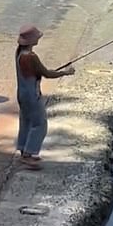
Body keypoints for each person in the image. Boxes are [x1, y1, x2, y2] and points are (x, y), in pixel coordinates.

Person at [14, 24, 74, 170]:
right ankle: (29, 155)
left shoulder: (19, 53)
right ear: (31, 41)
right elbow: (46, 73)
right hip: (32, 96)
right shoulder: (31, 57)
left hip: (22, 94)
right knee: (40, 124)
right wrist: (65, 72)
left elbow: (39, 72)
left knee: (26, 122)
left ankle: (23, 151)